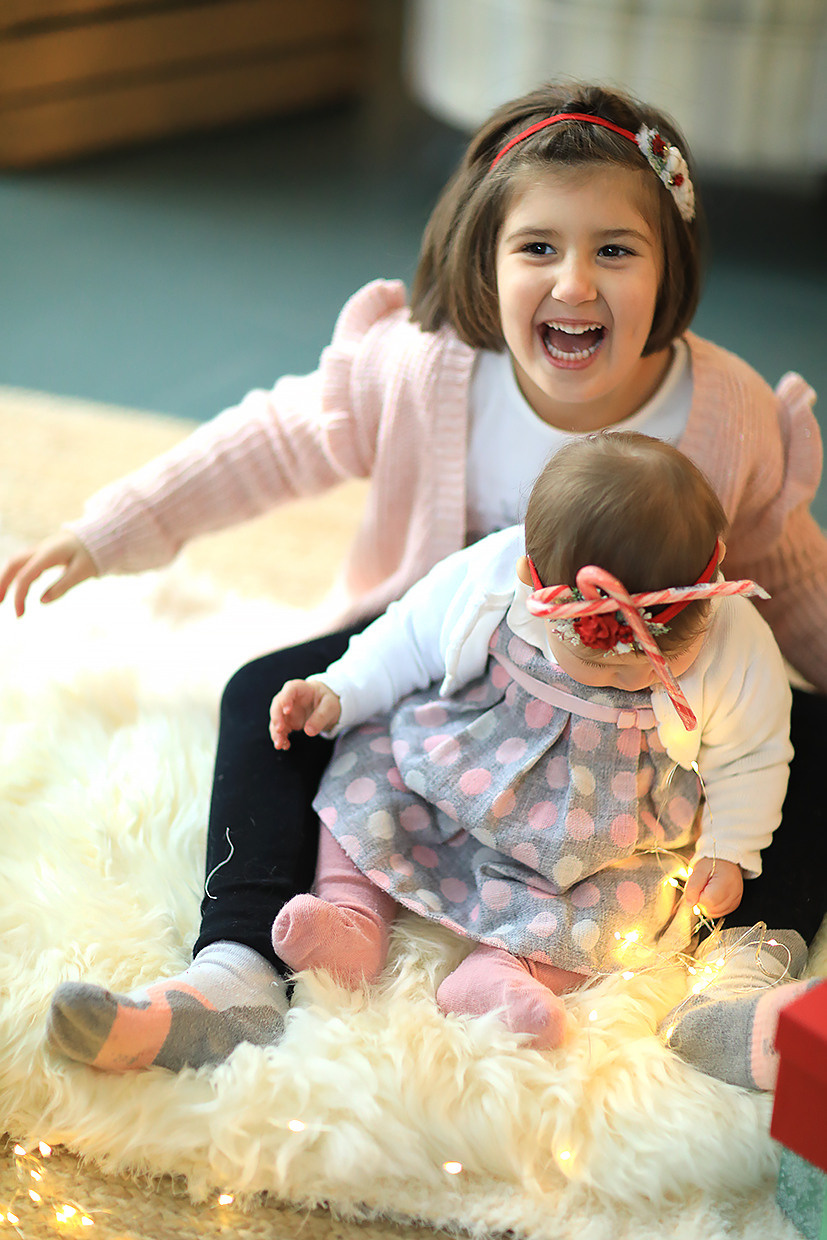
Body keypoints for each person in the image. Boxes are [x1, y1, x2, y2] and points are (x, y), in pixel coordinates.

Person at [1, 82, 823, 1077]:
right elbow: (267, 443)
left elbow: (782, 568)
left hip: (642, 717)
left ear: (669, 267)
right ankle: (236, 971)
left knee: (808, 739)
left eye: (614, 248)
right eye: (537, 248)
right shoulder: (423, 372)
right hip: (438, 663)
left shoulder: (724, 411)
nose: (574, 281)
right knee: (267, 697)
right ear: (484, 256)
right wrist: (106, 532)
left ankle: (737, 990)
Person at [265, 434, 794, 1050]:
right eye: (593, 658)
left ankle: (508, 972)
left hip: (602, 829)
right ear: (530, 580)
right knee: (372, 772)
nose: (616, 676)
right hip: (470, 764)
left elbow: (752, 754)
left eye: (641, 666)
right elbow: (410, 633)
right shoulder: (494, 572)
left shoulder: (733, 639)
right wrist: (341, 688)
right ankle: (351, 914)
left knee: (629, 904)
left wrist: (729, 848)